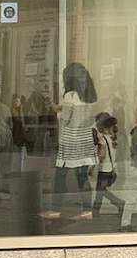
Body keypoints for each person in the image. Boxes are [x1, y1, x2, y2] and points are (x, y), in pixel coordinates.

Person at [40, 61, 98, 220]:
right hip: (85, 141)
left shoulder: (69, 95)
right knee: (82, 178)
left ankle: (55, 210)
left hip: (71, 142)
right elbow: (80, 115)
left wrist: (57, 112)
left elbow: (65, 119)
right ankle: (87, 211)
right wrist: (60, 107)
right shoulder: (89, 96)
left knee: (60, 177)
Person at [91, 111, 126, 221]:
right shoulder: (112, 138)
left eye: (98, 124)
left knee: (100, 191)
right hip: (111, 169)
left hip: (103, 170)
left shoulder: (103, 139)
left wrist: (93, 167)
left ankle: (118, 203)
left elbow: (101, 155)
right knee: (101, 191)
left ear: (102, 125)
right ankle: (95, 211)